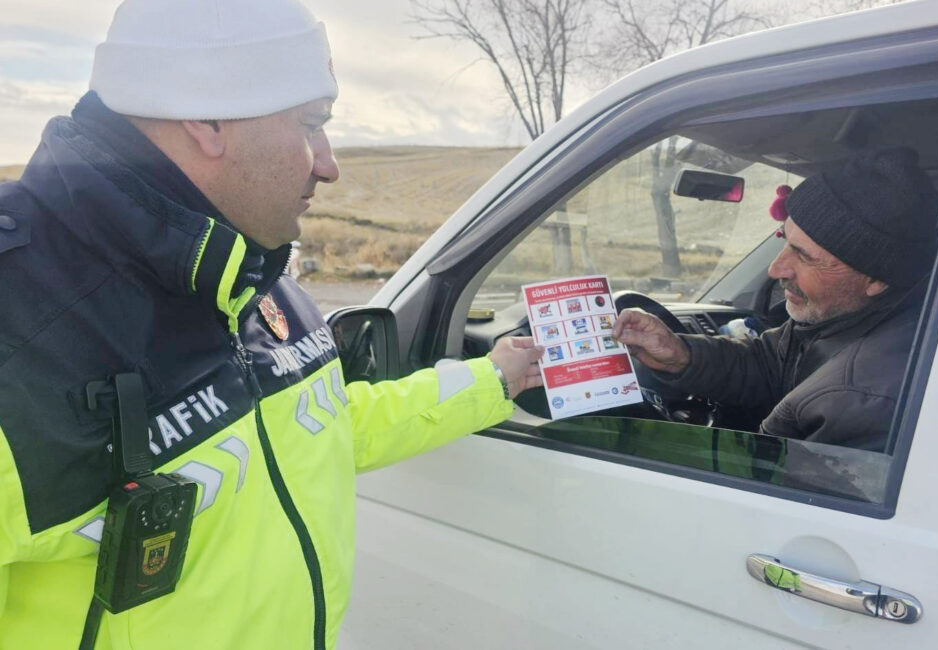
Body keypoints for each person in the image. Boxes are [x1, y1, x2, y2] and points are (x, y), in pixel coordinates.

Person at [0, 0, 543, 648]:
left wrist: (492, 380)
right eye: (312, 125)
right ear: (205, 116)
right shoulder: (20, 323)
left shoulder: (250, 271)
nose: (328, 163)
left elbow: (328, 423)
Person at [613, 148, 938, 451]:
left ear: (876, 280)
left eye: (804, 256)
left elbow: (764, 489)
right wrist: (680, 355)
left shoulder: (857, 400)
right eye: (784, 238)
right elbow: (771, 364)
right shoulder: (841, 319)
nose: (775, 268)